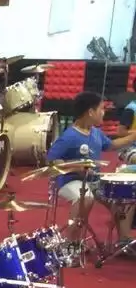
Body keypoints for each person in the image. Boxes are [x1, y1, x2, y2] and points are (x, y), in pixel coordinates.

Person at [45, 91, 136, 246]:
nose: (104, 112)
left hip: (94, 180)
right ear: (90, 112)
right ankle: (71, 243)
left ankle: (124, 240)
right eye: (101, 108)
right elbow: (52, 160)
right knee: (85, 198)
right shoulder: (69, 136)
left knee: (123, 197)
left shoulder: (96, 133)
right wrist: (76, 166)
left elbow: (112, 145)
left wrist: (133, 136)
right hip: (70, 181)